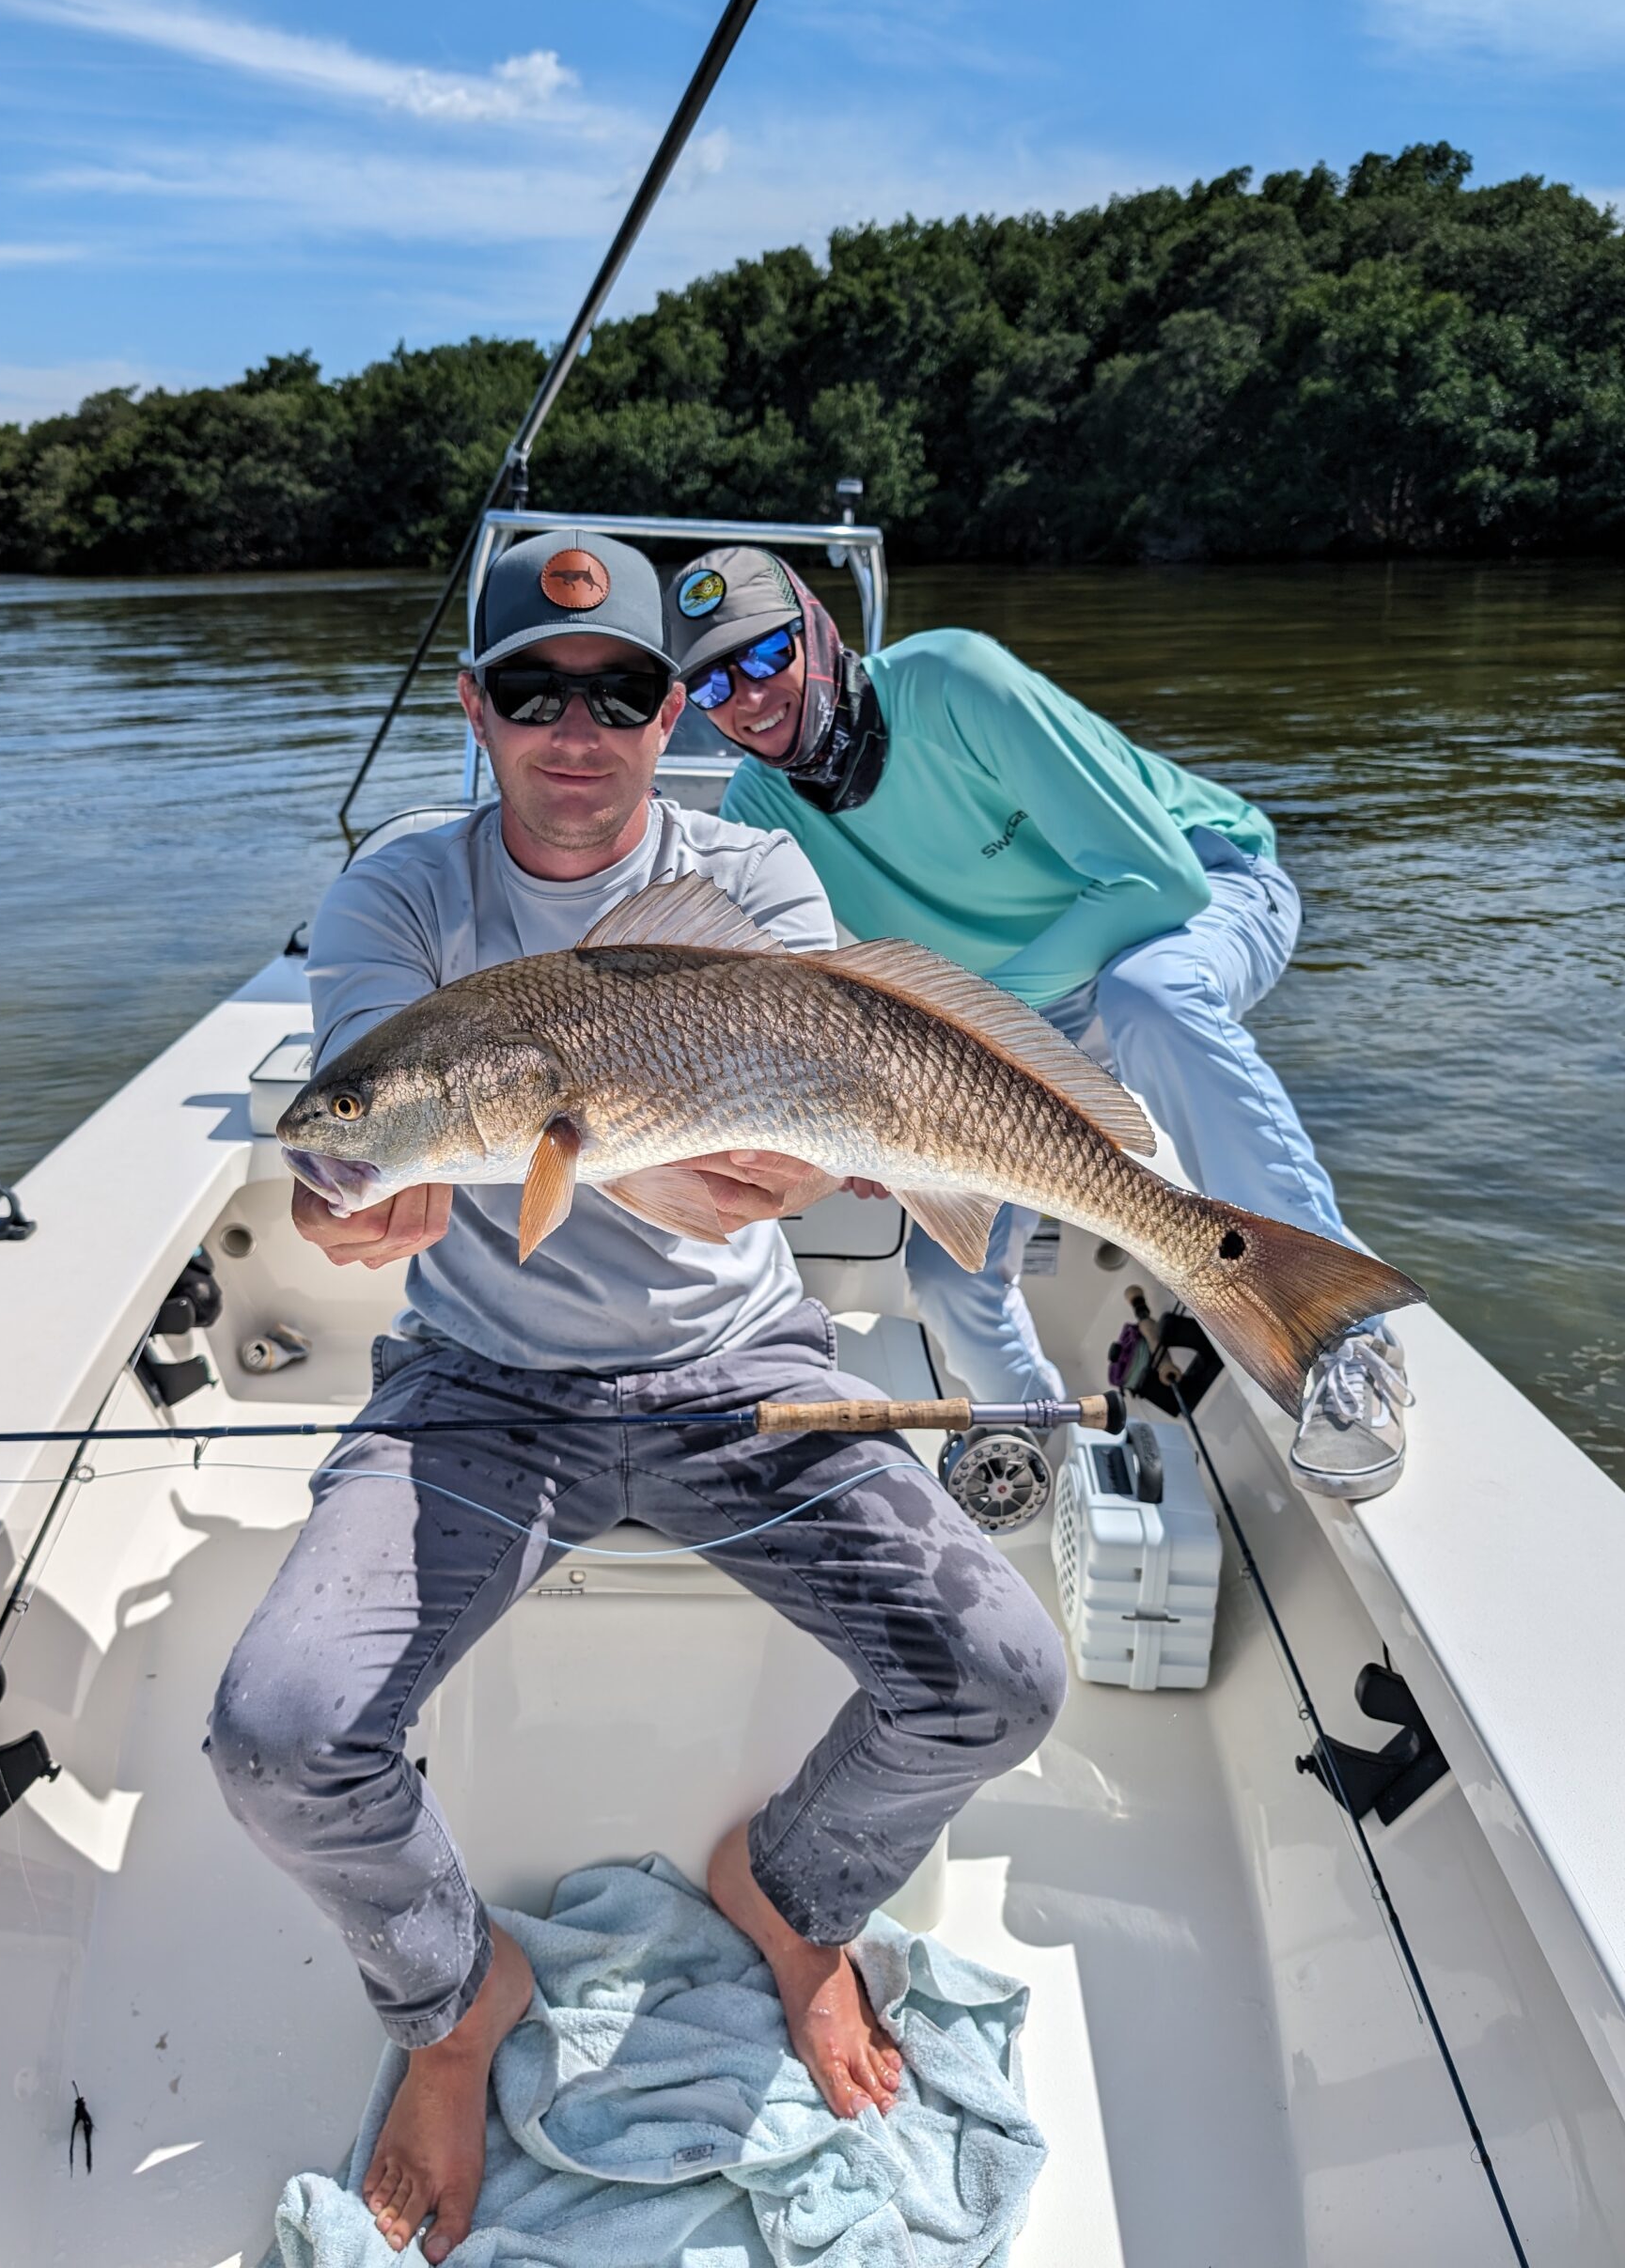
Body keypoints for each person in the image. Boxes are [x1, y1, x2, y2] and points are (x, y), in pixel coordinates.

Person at [204, 529, 1068, 2263]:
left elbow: (821, 1138)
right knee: (278, 1738)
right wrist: (347, 1196)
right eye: (533, 689)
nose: (575, 725)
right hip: (476, 1391)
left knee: (1001, 1675)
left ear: (671, 713)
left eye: (618, 694)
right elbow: (368, 1126)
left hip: (738, 1377)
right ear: (477, 710)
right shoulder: (399, 895)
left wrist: (794, 1175)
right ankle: (455, 2002)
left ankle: (797, 1898)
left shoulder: (751, 879)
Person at [663, 545, 1412, 1502]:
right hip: (1021, 1002)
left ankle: (1348, 1338)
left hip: (1197, 894)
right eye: (713, 679)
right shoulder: (757, 807)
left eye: (764, 654)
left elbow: (1156, 880)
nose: (747, 696)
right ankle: (1034, 1440)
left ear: (817, 625)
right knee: (943, 1269)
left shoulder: (950, 681)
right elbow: (815, 1001)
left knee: (1150, 1000)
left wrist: (984, 1033)